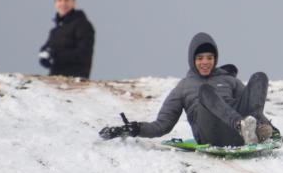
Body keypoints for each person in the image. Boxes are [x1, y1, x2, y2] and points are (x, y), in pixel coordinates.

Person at [98, 32, 273, 146]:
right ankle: (240, 125)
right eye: (200, 58)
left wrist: (269, 126)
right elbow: (162, 125)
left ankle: (256, 130)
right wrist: (132, 128)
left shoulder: (228, 80)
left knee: (259, 77)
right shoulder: (184, 86)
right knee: (205, 91)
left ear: (216, 59)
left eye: (210, 58)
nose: (205, 62)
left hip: (239, 136)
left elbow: (250, 105)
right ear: (192, 60)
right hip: (210, 135)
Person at [38, 0, 95, 78]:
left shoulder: (82, 25)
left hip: (75, 79)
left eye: (67, 0)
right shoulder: (55, 31)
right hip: (55, 79)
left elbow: (83, 53)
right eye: (59, 0)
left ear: (73, 3)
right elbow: (47, 48)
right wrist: (44, 56)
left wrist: (56, 56)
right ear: (55, 4)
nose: (63, 3)